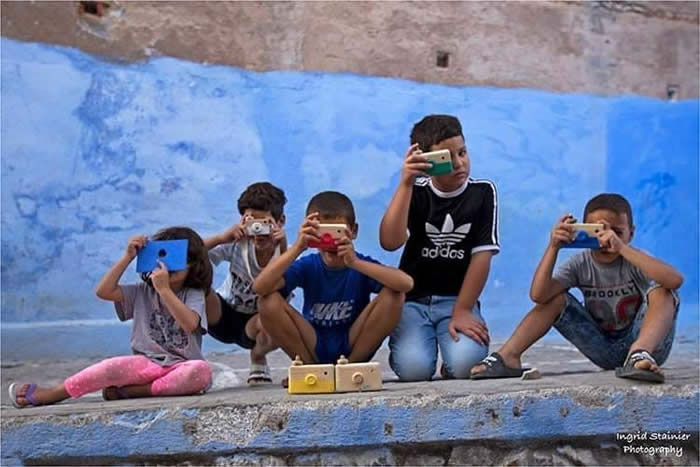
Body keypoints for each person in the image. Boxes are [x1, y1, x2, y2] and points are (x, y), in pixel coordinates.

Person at [470, 193, 683, 383]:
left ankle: (638, 355)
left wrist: (622, 248)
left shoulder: (635, 259)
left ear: (631, 234)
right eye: (596, 231)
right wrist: (553, 247)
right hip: (603, 347)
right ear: (583, 230)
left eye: (617, 232)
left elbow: (675, 281)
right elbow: (539, 295)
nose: (605, 239)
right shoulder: (580, 263)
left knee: (663, 291)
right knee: (555, 298)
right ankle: (509, 357)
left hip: (648, 348)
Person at [8, 227, 213, 407]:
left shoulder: (193, 293)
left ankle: (131, 391)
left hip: (182, 365)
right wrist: (127, 257)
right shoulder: (141, 291)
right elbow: (103, 291)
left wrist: (165, 290)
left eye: (179, 259)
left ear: (194, 265)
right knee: (110, 366)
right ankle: (54, 393)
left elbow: (189, 324)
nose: (169, 266)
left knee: (201, 372)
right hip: (146, 363)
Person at [380, 114, 499, 381]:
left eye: (463, 152)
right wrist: (405, 183)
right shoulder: (416, 191)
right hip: (413, 301)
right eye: (447, 158)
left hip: (457, 300)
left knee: (466, 366)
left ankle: (450, 360)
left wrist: (464, 310)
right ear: (427, 162)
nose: (459, 164)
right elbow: (390, 241)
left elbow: (482, 257)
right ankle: (413, 348)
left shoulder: (482, 193)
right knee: (414, 371)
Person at [253, 191, 413, 366]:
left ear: (353, 231)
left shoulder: (360, 264)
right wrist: (298, 247)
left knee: (394, 294)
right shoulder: (308, 265)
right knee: (267, 301)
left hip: (354, 341)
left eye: (337, 232)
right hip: (312, 341)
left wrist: (355, 263)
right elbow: (260, 288)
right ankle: (309, 368)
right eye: (322, 233)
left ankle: (350, 368)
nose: (330, 242)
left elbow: (406, 284)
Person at [204, 182, 287, 384]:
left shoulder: (287, 252)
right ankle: (183, 351)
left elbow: (288, 281)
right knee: (194, 278)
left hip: (257, 324)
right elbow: (190, 255)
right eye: (252, 223)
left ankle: (258, 357)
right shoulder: (235, 245)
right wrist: (221, 238)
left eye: (264, 223)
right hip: (223, 316)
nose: (257, 231)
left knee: (279, 314)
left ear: (280, 221)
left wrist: (283, 247)